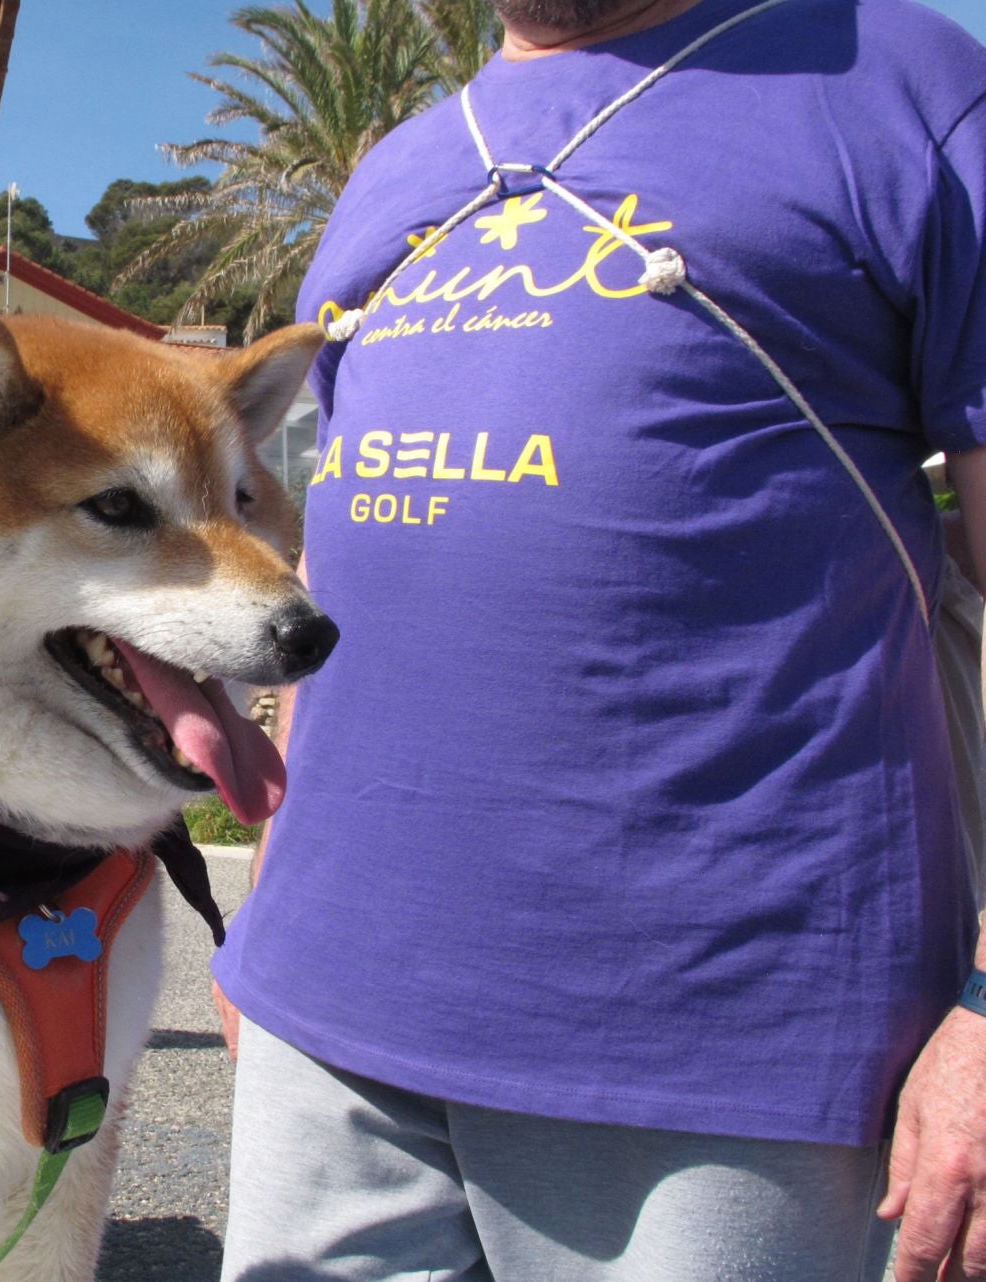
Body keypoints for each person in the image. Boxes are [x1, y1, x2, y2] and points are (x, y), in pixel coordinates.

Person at [211, 1, 986, 1280]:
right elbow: (341, 567)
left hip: (726, 1070)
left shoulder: (907, 86)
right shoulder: (398, 166)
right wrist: (266, 918)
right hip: (325, 1035)